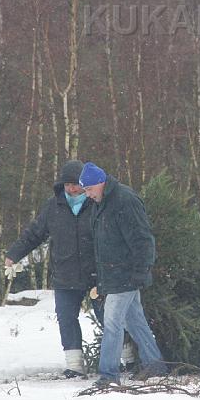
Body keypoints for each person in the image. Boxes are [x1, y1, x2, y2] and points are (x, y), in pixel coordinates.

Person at [5, 160, 102, 378]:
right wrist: (14, 254)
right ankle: (74, 365)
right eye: (67, 184)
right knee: (66, 319)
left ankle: (128, 358)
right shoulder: (53, 206)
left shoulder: (96, 202)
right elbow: (34, 234)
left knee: (108, 317)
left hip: (96, 273)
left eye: (75, 184)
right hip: (65, 274)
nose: (71, 189)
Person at [79, 161, 168, 386]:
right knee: (135, 321)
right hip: (112, 275)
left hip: (126, 275)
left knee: (112, 323)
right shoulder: (100, 203)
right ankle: (156, 366)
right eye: (85, 190)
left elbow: (143, 239)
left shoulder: (124, 200)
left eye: (89, 189)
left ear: (101, 183)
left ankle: (108, 375)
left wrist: (141, 271)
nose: (88, 195)